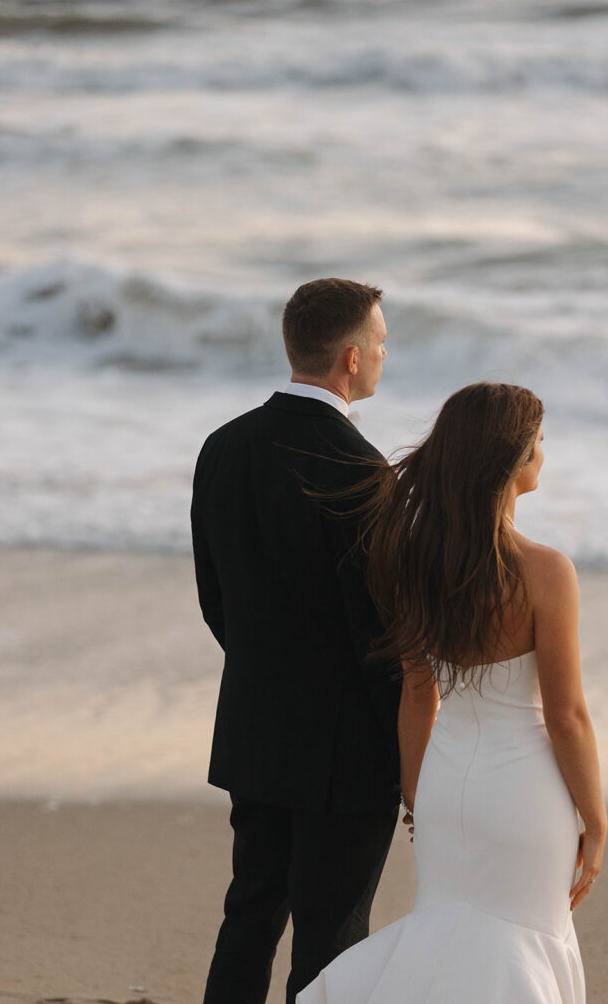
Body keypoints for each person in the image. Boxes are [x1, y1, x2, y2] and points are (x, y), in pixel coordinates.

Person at [299, 382, 607, 1004]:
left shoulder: (412, 560)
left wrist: (419, 798)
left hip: (443, 784)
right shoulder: (546, 571)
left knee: (447, 940)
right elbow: (567, 716)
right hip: (523, 792)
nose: (543, 454)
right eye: (538, 442)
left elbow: (419, 695)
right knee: (522, 945)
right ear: (510, 459)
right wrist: (596, 820)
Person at [191, 277, 401, 1004]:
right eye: (377, 342)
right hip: (345, 754)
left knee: (248, 916)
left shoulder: (223, 446)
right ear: (349, 358)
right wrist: (410, 751)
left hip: (253, 727)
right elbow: (377, 637)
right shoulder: (359, 468)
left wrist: (268, 673)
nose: (382, 353)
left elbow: (214, 600)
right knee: (331, 939)